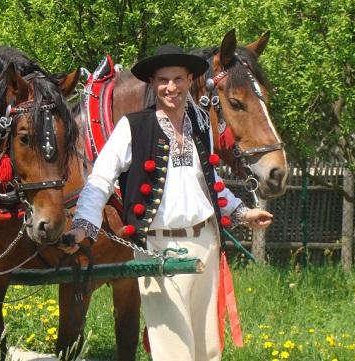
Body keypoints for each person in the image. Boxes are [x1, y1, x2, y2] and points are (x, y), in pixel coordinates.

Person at [61, 44, 273, 361]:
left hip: (206, 243)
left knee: (207, 347)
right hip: (159, 249)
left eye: (177, 79)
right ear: (153, 83)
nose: (170, 87)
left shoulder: (201, 123)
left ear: (190, 80)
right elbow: (100, 181)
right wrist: (83, 226)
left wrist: (242, 212)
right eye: (162, 80)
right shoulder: (132, 127)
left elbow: (210, 182)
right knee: (173, 348)